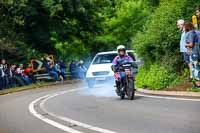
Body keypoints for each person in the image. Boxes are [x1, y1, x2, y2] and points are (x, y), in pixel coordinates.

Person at [184, 22, 200, 87]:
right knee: (194, 67)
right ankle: (197, 82)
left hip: (194, 52)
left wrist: (185, 45)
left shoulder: (191, 33)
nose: (184, 28)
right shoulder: (192, 32)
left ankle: (198, 83)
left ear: (187, 27)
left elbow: (191, 44)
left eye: (185, 26)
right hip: (193, 52)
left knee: (196, 67)